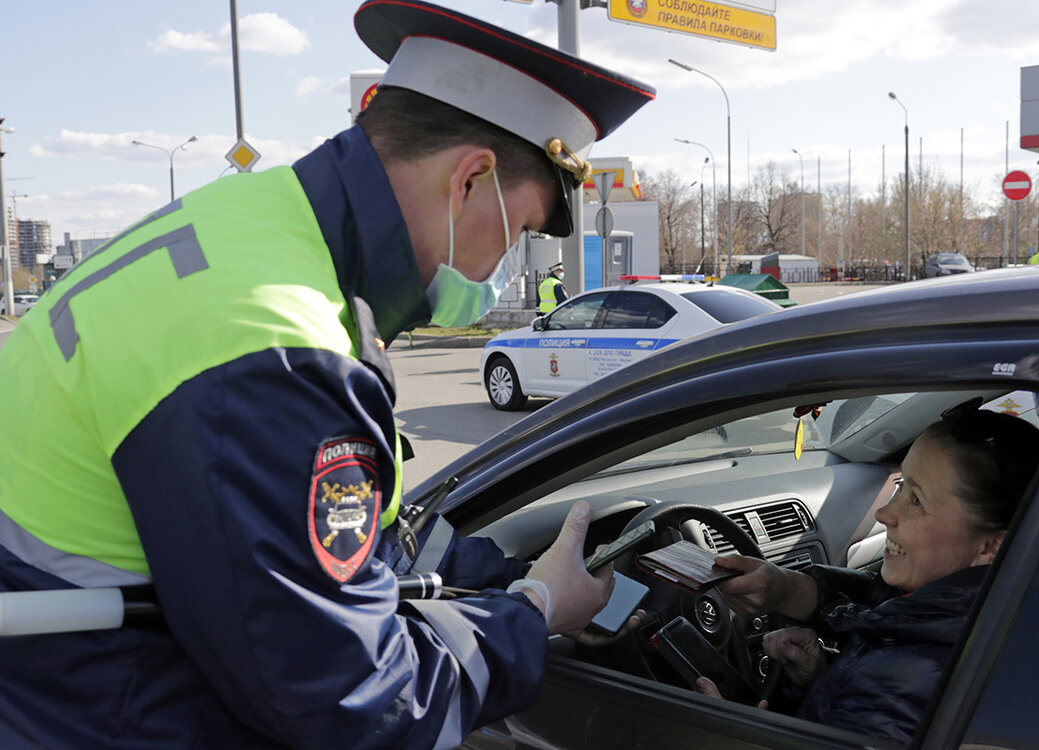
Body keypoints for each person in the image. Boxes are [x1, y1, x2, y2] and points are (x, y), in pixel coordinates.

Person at [0, 3, 654, 749]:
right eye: (522, 234)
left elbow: (359, 537)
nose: (505, 267)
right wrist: (537, 613)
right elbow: (356, 705)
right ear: (469, 180)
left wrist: (508, 572)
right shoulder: (273, 348)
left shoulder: (254, 229)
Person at [702, 403, 1039, 744]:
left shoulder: (902, 685)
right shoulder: (989, 615)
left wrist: (717, 736)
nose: (883, 513)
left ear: (991, 548)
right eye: (900, 486)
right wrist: (820, 676)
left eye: (917, 502)